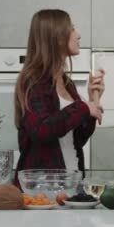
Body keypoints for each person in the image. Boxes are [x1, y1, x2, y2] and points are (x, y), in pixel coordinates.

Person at [14, 9, 105, 184]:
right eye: (72, 29)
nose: (78, 35)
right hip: (42, 189)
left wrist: (93, 100)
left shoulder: (66, 83)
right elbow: (41, 130)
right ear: (57, 37)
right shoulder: (33, 82)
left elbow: (77, 139)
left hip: (71, 183)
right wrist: (84, 107)